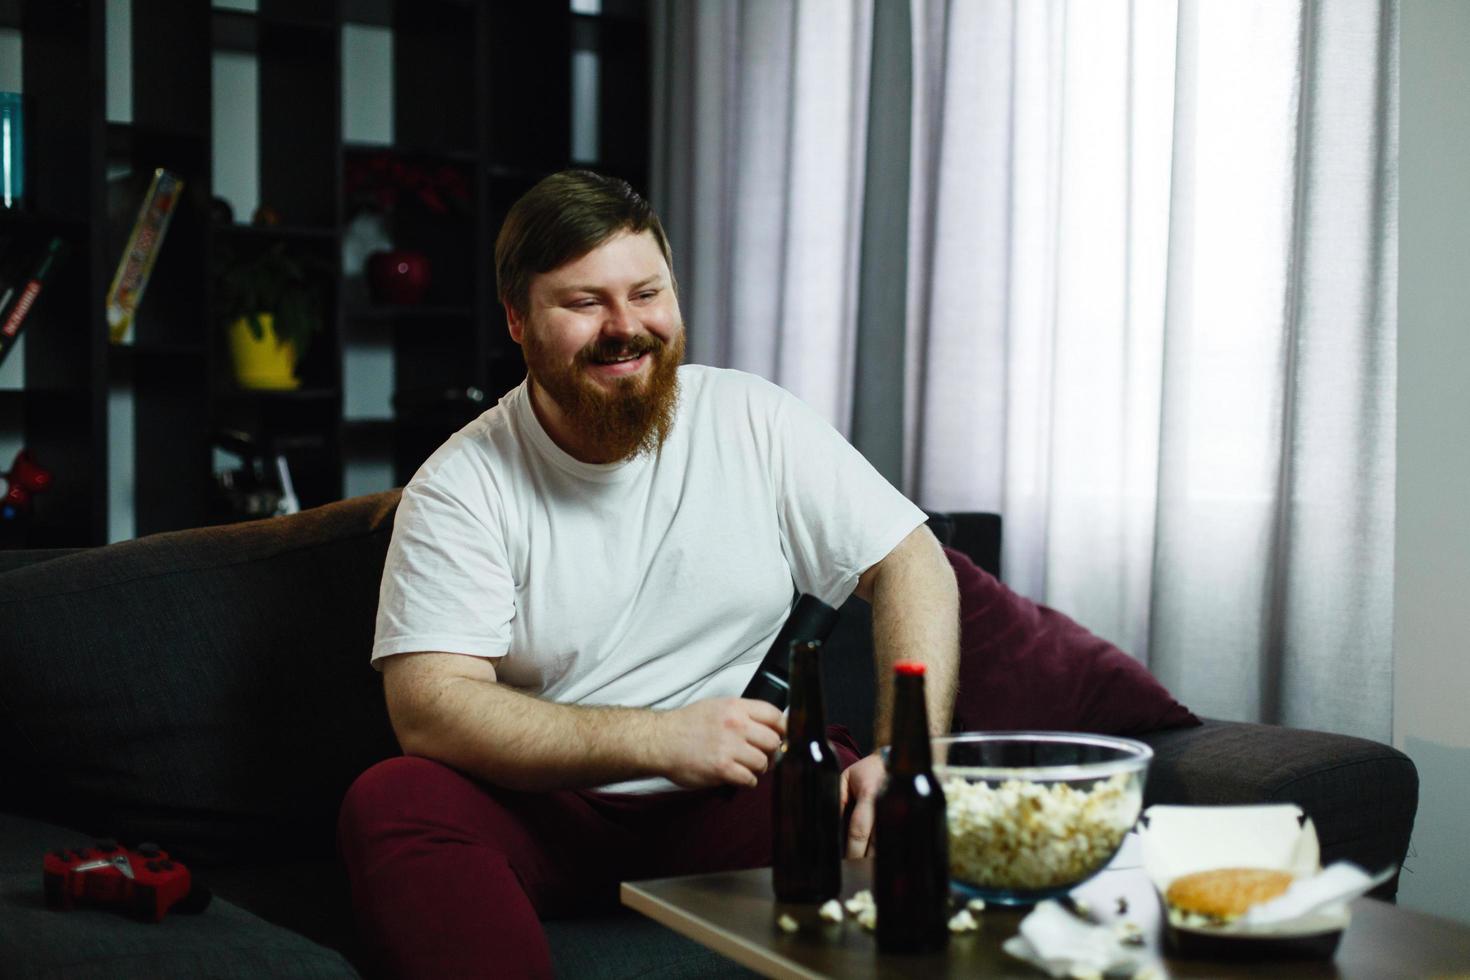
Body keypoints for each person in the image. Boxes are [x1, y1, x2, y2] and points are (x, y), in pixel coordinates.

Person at [337, 170, 960, 979]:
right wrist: (661, 739)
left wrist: (912, 754)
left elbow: (910, 558)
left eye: (646, 292)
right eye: (584, 302)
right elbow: (429, 708)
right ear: (518, 320)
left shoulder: (752, 418)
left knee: (877, 805)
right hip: (548, 812)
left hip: (734, 804)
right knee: (393, 799)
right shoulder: (462, 485)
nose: (625, 327)